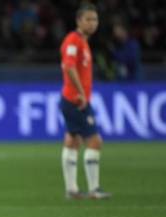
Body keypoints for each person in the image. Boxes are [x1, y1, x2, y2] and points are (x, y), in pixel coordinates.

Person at [59, 3, 110, 200]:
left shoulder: (82, 42)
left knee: (73, 140)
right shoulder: (74, 40)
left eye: (95, 19)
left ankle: (71, 190)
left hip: (72, 99)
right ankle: (94, 189)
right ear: (79, 21)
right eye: (88, 19)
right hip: (75, 100)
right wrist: (81, 93)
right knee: (95, 141)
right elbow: (69, 66)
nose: (92, 23)